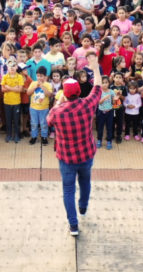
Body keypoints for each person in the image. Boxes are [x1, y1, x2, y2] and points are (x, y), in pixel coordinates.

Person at [47, 52, 102, 236]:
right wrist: (95, 67)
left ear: (64, 93)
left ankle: (73, 225)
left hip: (66, 158)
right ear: (79, 91)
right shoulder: (87, 105)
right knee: (86, 181)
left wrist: (59, 101)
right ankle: (83, 206)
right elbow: (98, 87)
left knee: (68, 190)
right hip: (86, 154)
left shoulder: (58, 112)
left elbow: (48, 121)